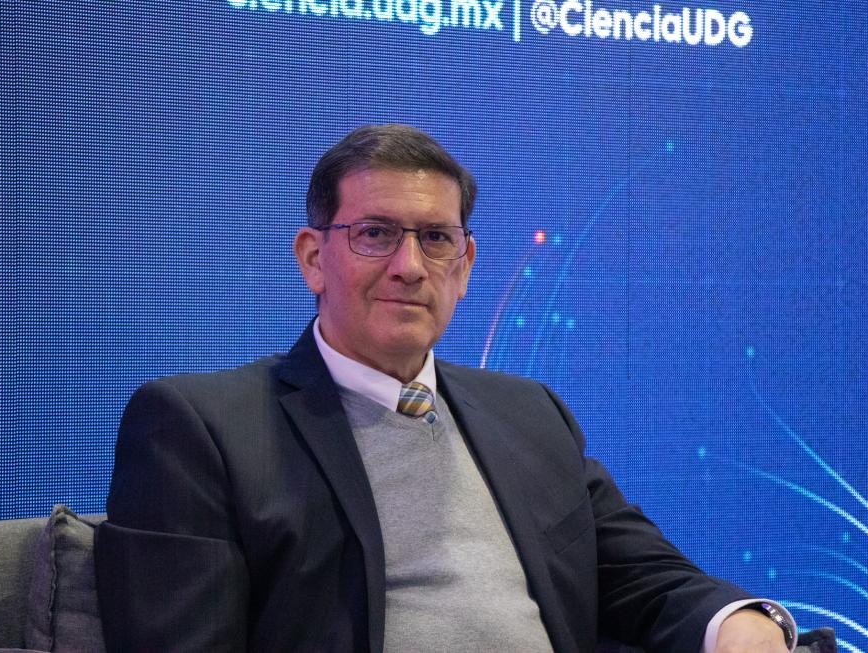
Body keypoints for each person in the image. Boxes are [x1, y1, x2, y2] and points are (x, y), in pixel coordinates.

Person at [95, 124, 797, 653]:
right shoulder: (202, 425)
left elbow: (645, 577)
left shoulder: (530, 414)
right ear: (313, 258)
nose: (410, 265)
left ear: (464, 266)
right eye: (375, 234)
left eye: (435, 238)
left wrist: (741, 623)